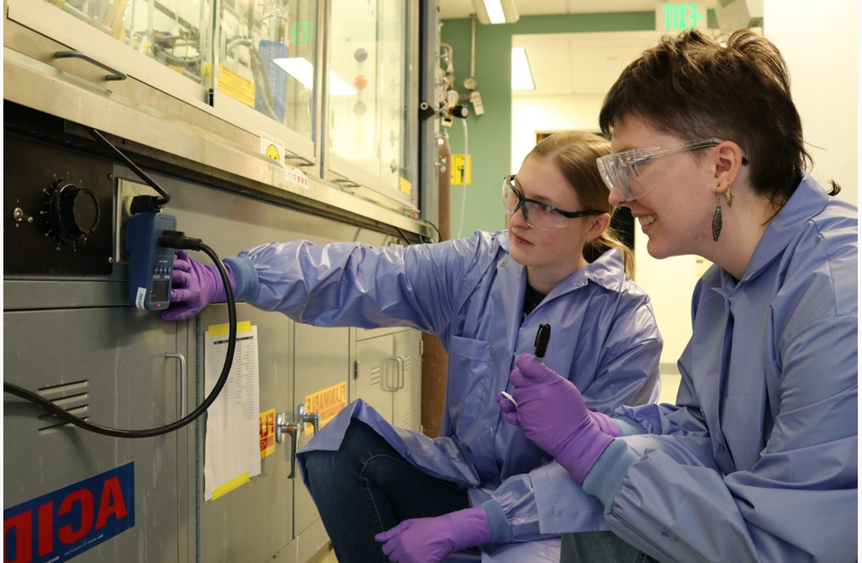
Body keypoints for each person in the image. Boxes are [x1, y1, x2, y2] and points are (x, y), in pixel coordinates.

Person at [162, 131, 663, 563]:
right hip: (465, 479)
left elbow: (600, 475)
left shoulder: (625, 323)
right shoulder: (477, 269)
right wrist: (239, 276)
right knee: (338, 450)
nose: (518, 217)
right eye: (516, 195)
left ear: (594, 225)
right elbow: (361, 273)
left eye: (545, 209)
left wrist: (471, 525)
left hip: (554, 522)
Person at [499, 29, 857, 562]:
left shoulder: (835, 295)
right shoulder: (718, 289)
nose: (616, 196)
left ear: (721, 166)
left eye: (632, 166)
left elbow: (789, 545)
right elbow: (701, 431)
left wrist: (591, 450)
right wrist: (600, 425)